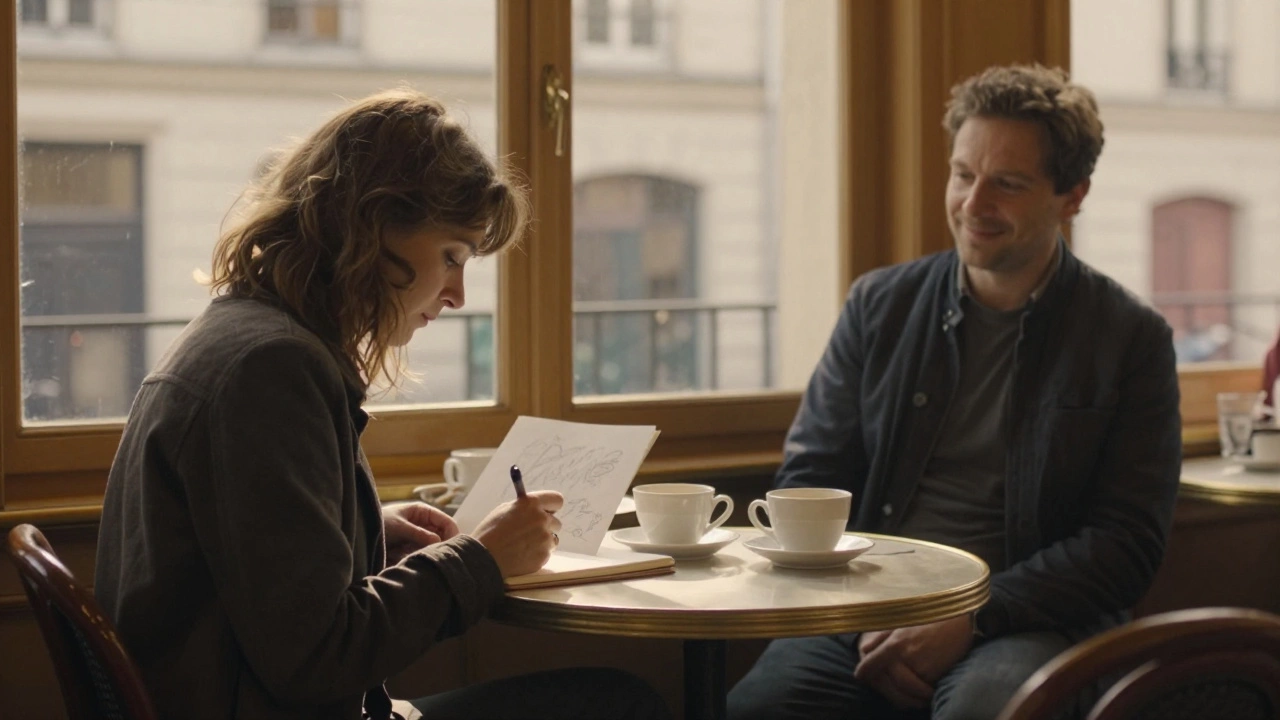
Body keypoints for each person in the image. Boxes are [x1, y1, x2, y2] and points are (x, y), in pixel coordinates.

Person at [94, 89, 671, 720]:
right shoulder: (271, 370)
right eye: (452, 257)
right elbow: (318, 658)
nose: (456, 294)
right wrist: (479, 561)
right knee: (623, 703)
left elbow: (257, 580)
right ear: (373, 227)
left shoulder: (243, 335)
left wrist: (365, 530)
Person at [727, 64, 1182, 720]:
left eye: (1008, 184)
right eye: (963, 175)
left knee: (987, 710)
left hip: (1030, 620)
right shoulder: (878, 305)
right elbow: (811, 477)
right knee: (759, 707)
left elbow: (1125, 544)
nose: (972, 205)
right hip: (865, 603)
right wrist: (882, 613)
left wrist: (969, 614)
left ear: (1072, 195)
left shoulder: (1130, 337)